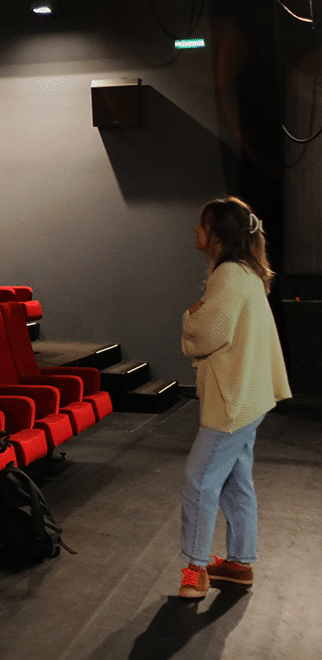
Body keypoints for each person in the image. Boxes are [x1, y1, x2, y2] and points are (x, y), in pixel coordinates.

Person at [176, 196, 290, 599]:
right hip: (249, 398)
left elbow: (208, 333)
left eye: (202, 224)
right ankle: (239, 564)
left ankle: (196, 568)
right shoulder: (246, 272)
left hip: (232, 402)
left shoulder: (228, 275)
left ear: (218, 234)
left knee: (200, 480)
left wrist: (191, 315)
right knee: (235, 480)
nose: (196, 230)